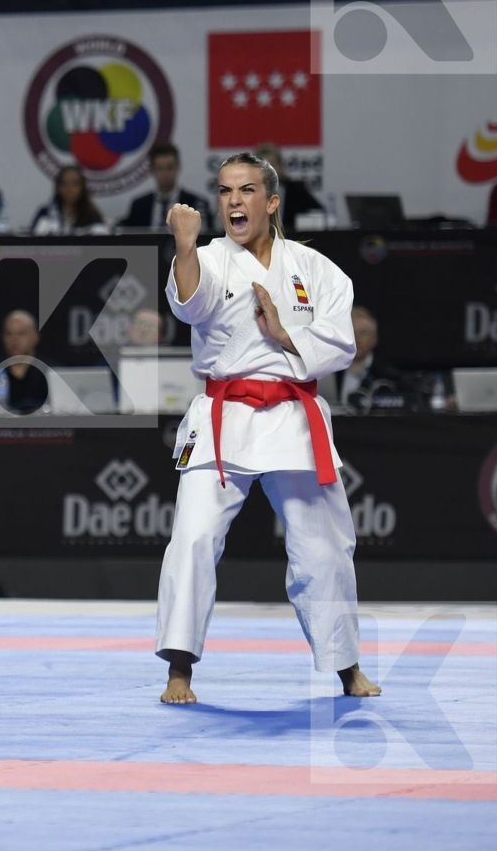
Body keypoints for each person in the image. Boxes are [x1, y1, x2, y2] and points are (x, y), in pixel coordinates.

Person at [156, 152, 380, 705]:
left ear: (272, 201)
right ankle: (179, 669)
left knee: (323, 547)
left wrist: (284, 335)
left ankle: (347, 666)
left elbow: (342, 344)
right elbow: (188, 306)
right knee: (192, 536)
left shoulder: (316, 268)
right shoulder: (208, 258)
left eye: (247, 189)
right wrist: (183, 246)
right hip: (223, 415)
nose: (233, 199)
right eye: (225, 190)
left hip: (291, 415)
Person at [329, 305, 411, 411]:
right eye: (352, 333)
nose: (357, 339)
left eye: (363, 333)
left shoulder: (389, 377)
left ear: (374, 339)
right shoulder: (326, 372)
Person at [119, 143, 211, 229]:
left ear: (178, 167)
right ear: (152, 170)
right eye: (160, 168)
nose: (165, 173)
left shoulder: (195, 204)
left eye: (169, 167)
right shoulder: (139, 206)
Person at [254, 144, 326, 229]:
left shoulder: (295, 190)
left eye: (272, 165)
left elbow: (319, 211)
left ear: (280, 166)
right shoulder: (248, 192)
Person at [28, 165, 113, 236]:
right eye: (64, 184)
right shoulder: (45, 213)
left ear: (82, 187)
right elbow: (34, 244)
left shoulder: (93, 216)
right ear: (57, 187)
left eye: (74, 184)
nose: (69, 189)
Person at [0, 309, 49, 414]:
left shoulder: (50, 373)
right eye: (9, 334)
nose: (14, 340)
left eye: (21, 333)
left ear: (35, 337)